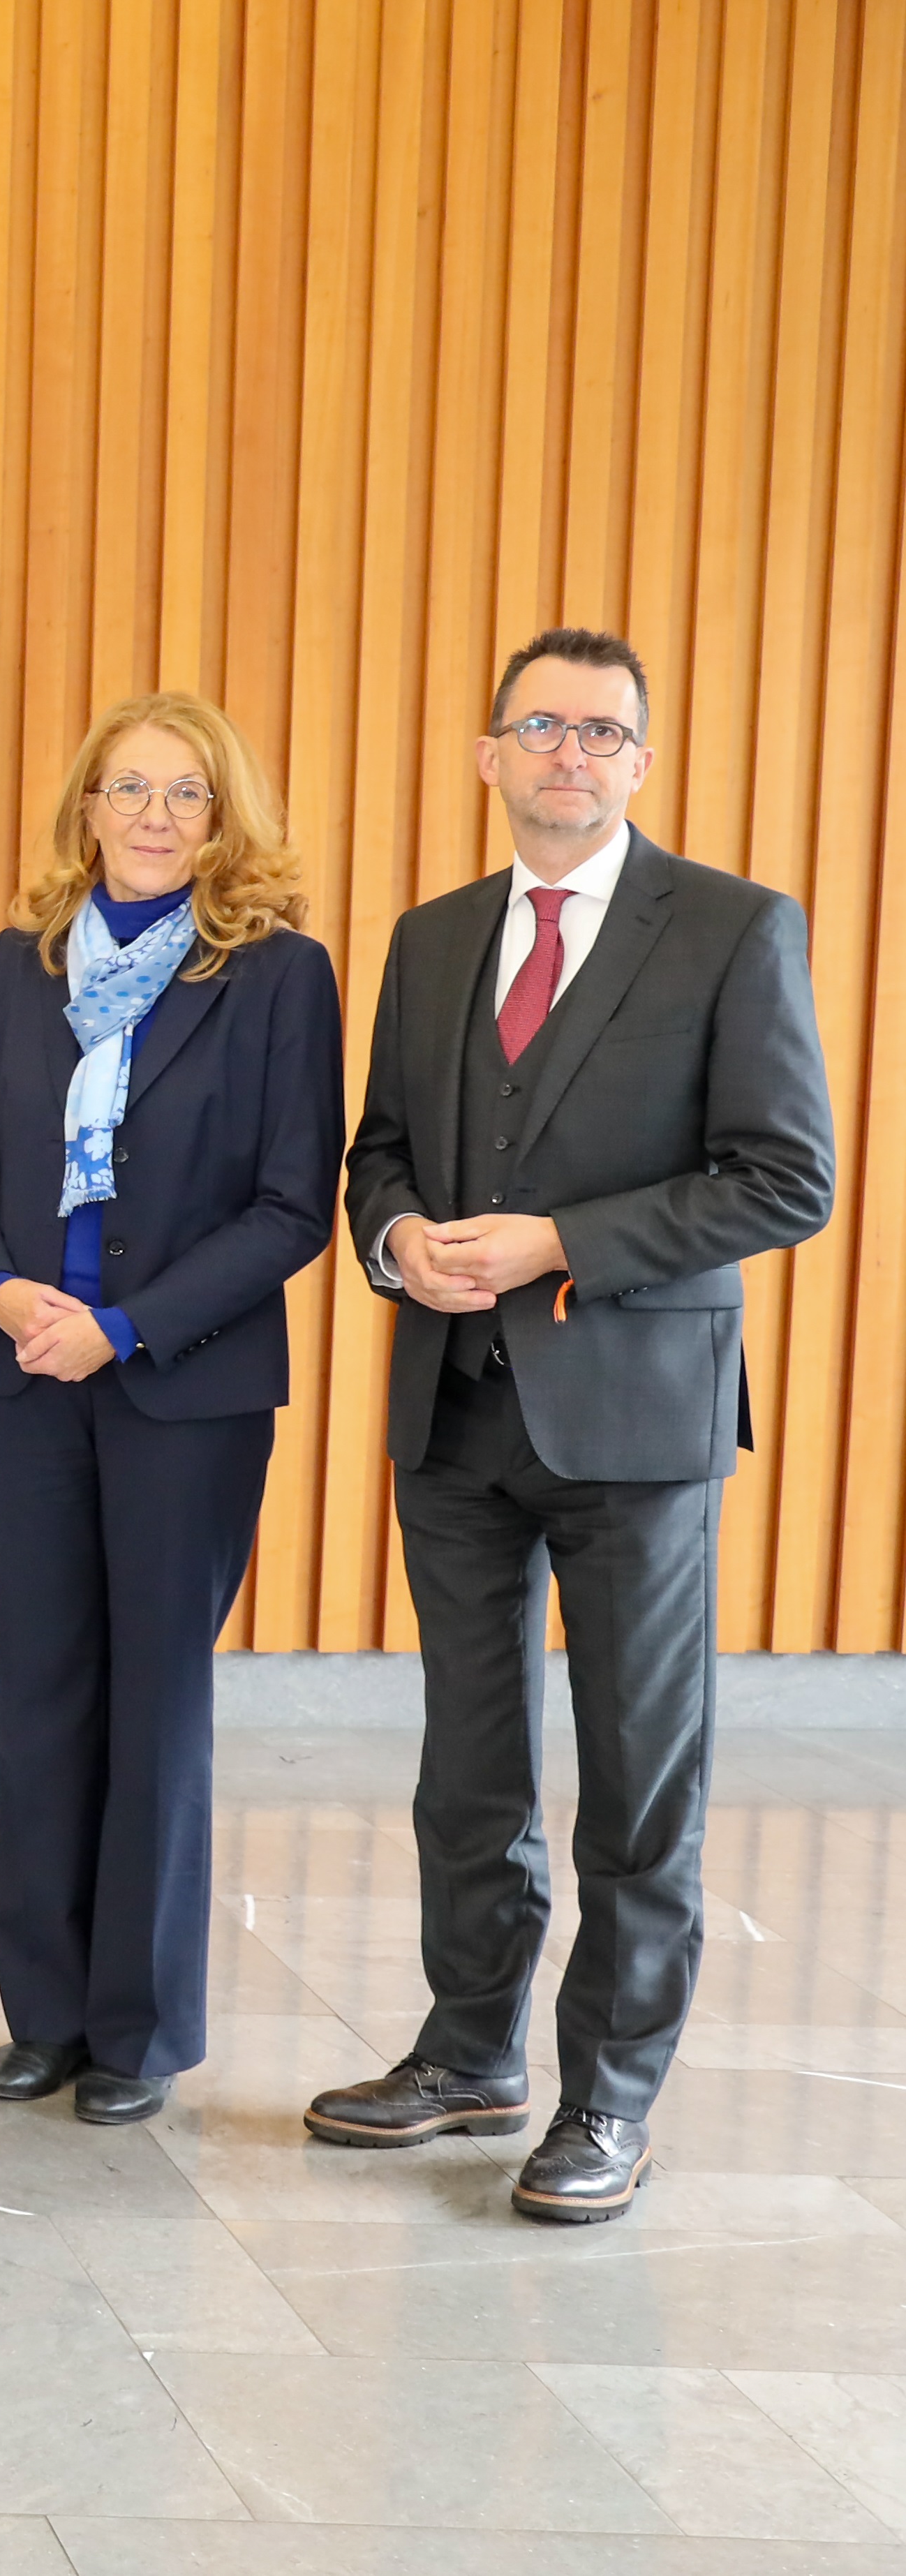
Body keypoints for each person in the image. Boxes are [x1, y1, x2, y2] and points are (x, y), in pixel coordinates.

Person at [308, 630, 834, 2221]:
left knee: (632, 1780)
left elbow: (779, 1177)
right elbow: (377, 1153)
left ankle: (606, 2094)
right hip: (453, 1415)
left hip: (634, 1428)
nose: (565, 752)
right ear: (486, 756)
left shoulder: (731, 930)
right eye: (536, 725)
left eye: (599, 731)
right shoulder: (429, 934)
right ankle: (470, 2048)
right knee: (462, 1772)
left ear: (637, 763)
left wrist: (557, 1242)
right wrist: (395, 1241)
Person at [0, 692, 343, 2127]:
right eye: (127, 789)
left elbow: (294, 1203)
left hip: (183, 1386)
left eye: (183, 793)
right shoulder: (18, 962)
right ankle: (39, 2015)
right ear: (85, 809)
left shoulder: (276, 975)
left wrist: (122, 1325)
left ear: (221, 816)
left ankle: (138, 2030)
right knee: (41, 1687)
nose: (154, 816)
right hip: (27, 1376)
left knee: (154, 1702)